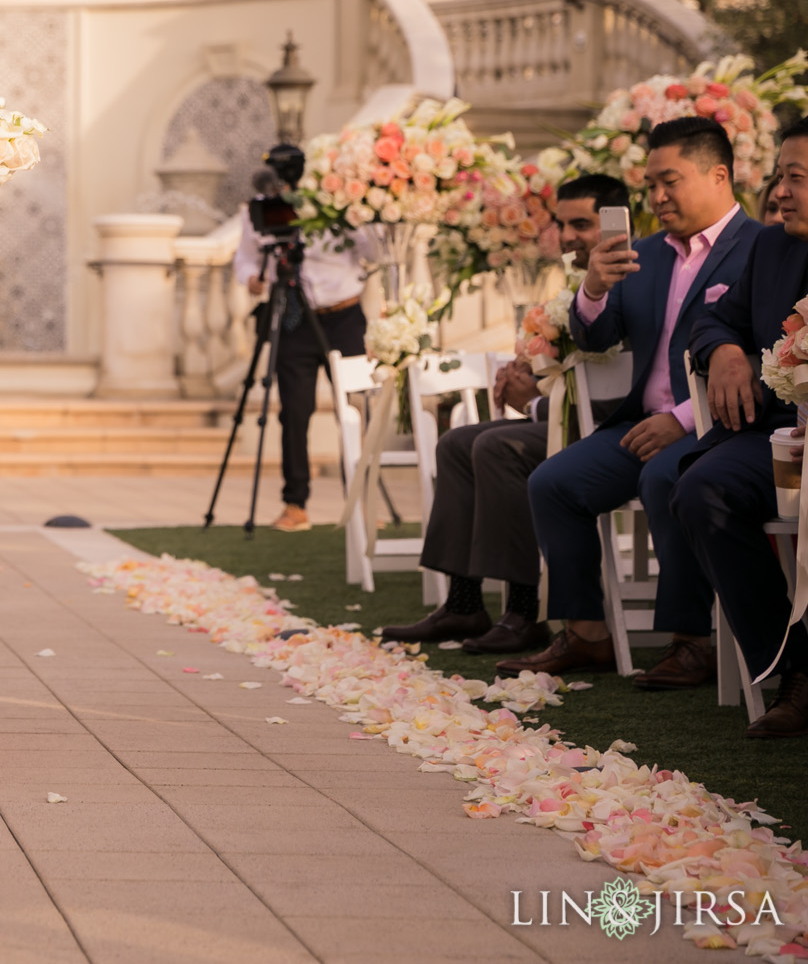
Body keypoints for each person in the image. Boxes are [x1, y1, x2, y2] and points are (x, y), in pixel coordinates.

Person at [502, 118, 754, 679]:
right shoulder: (643, 253)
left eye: (670, 181)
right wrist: (593, 288)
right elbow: (596, 337)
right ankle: (586, 634)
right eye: (650, 185)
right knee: (553, 482)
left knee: (663, 477)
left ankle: (692, 640)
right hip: (639, 422)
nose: (657, 197)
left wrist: (685, 419)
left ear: (718, 175)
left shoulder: (761, 247)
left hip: (718, 426)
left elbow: (763, 355)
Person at [379, 175, 624, 651]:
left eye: (583, 225)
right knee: (456, 441)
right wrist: (532, 378)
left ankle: (523, 610)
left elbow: (621, 386)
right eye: (563, 224)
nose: (570, 236)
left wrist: (533, 400)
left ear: (615, 225)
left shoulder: (629, 281)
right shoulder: (574, 283)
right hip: (560, 418)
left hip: (605, 431)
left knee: (498, 446)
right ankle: (465, 603)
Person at [678, 120, 808, 736]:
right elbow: (710, 321)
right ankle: (792, 668)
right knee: (702, 487)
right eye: (780, 177)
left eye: (796, 179)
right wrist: (725, 350)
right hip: (777, 436)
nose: (779, 193)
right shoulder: (771, 246)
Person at [231, 175, 368, 533]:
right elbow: (244, 259)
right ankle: (295, 504)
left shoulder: (337, 204)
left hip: (344, 317)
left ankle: (362, 501)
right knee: (293, 413)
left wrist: (354, 212)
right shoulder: (261, 211)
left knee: (355, 409)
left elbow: (370, 251)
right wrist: (251, 279)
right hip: (292, 317)